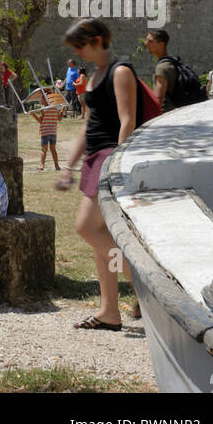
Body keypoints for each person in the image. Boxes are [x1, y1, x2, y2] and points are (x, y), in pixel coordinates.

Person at [55, 19, 142, 331]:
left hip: (110, 158)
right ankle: (109, 311)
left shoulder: (120, 72)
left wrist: (117, 168)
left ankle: (141, 284)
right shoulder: (94, 75)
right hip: (94, 159)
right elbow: (87, 125)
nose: (77, 51)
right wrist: (69, 165)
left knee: (87, 228)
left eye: (80, 45)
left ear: (97, 40)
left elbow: (127, 120)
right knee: (100, 241)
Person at [31, 89, 64, 170]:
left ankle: (42, 165)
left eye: (42, 98)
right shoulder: (55, 108)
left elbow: (40, 121)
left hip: (45, 132)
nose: (41, 100)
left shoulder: (44, 109)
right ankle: (57, 165)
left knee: (44, 150)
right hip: (53, 132)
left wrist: (33, 115)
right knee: (53, 150)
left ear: (46, 100)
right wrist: (63, 111)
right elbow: (59, 119)